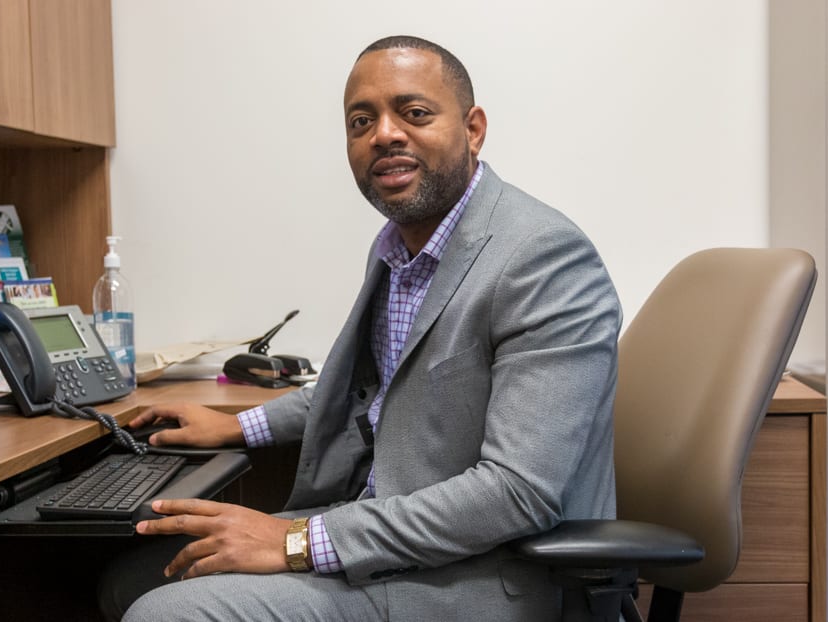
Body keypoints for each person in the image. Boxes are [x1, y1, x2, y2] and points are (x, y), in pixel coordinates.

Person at [100, 35, 622, 621]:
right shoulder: (401, 248)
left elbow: (517, 493)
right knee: (131, 575)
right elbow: (374, 392)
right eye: (360, 120)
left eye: (414, 113)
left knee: (164, 613)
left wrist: (297, 542)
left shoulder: (542, 257)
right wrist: (235, 425)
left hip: (486, 573)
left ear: (473, 129)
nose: (385, 134)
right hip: (393, 537)